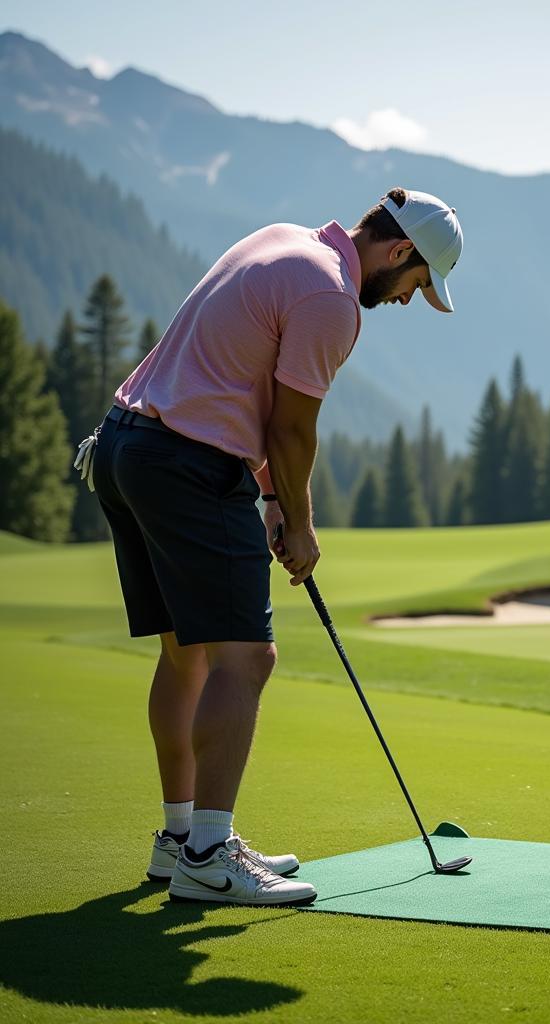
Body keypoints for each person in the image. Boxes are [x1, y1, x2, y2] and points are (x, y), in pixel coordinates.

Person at [87, 188, 463, 906]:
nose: (412, 299)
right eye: (418, 283)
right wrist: (302, 522)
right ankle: (207, 855)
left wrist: (269, 499)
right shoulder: (333, 300)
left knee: (186, 653)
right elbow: (292, 429)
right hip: (189, 464)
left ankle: (181, 839)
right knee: (248, 656)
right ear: (401, 251)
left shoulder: (285, 240)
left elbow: (233, 376)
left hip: (125, 447)